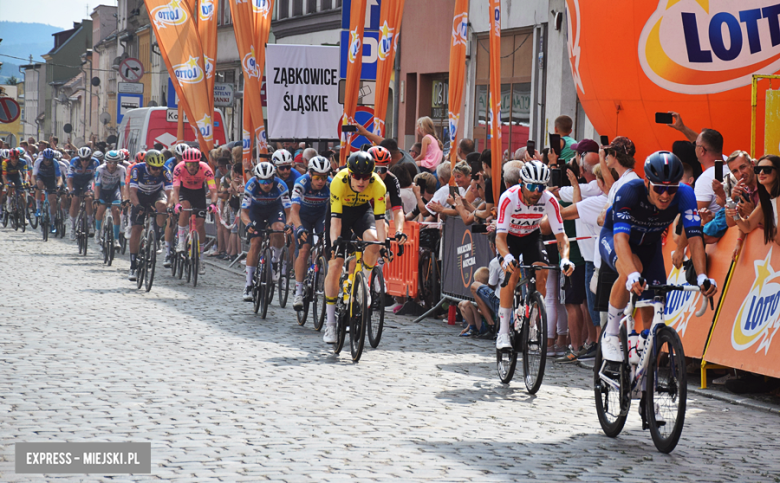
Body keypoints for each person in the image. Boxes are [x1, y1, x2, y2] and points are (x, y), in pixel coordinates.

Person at [599, 152, 718, 362]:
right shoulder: (629, 192)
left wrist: (701, 277)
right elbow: (621, 240)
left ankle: (644, 369)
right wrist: (634, 275)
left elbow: (695, 238)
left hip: (650, 245)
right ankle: (610, 333)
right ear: (646, 182)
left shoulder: (685, 194)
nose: (665, 195)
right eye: (659, 188)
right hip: (616, 239)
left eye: (671, 189)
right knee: (631, 269)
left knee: (653, 304)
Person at [495, 161, 574, 350]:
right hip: (509, 239)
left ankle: (533, 325)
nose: (536, 192)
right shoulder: (508, 198)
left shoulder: (549, 200)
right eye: (531, 186)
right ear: (522, 183)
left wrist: (565, 259)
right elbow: (499, 238)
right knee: (511, 274)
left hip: (531, 236)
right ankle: (503, 332)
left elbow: (562, 236)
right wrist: (506, 257)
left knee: (542, 272)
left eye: (541, 187)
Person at [322, 152, 387, 344]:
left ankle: (363, 285)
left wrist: (383, 245)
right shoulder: (338, 182)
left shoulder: (378, 185)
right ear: (349, 174)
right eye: (357, 177)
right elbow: (335, 222)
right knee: (335, 264)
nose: (361, 181)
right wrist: (335, 244)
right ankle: (331, 324)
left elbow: (380, 221)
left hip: (361, 212)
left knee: (374, 241)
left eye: (366, 177)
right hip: (339, 212)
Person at [240, 162, 292, 302]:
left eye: (269, 180)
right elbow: (244, 212)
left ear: (273, 178)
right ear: (257, 179)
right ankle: (249, 284)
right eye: (262, 180)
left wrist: (288, 225)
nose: (266, 184)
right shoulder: (251, 185)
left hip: (275, 209)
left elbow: (289, 211)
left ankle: (275, 263)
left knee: (279, 229)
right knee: (256, 243)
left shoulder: (281, 185)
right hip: (256, 211)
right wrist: (248, 224)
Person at [290, 156, 331, 310]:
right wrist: (299, 227)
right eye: (317, 177)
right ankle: (299, 292)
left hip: (321, 216)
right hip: (303, 217)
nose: (320, 181)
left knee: (329, 248)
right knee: (304, 250)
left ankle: (327, 284)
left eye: (324, 177)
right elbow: (294, 211)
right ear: (310, 174)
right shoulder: (301, 183)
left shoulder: (331, 185)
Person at [171, 148, 218, 274]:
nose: (191, 167)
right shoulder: (179, 168)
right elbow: (175, 189)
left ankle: (200, 259)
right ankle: (181, 240)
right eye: (189, 164)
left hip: (199, 194)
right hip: (184, 191)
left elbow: (213, 190)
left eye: (194, 164)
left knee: (200, 225)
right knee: (185, 208)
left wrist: (213, 204)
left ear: (199, 163)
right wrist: (176, 204)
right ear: (185, 163)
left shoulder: (206, 169)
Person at [127, 150, 172, 281]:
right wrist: (137, 206)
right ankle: (133, 265)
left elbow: (171, 192)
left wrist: (170, 206)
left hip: (156, 194)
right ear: (147, 165)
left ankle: (157, 237)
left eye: (159, 168)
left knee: (162, 206)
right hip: (140, 195)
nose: (157, 171)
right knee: (136, 229)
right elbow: (132, 191)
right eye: (154, 168)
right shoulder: (137, 169)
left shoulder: (165, 171)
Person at [728, 155, 780, 247]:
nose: (761, 173)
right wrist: (735, 214)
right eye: (758, 169)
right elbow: (747, 226)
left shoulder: (778, 198)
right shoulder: (765, 199)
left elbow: (778, 238)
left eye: (767, 169)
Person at [368, 145, 407, 246]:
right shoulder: (360, 178)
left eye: (383, 169)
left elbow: (398, 210)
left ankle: (381, 258)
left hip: (376, 211)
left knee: (384, 228)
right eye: (375, 169)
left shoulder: (392, 180)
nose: (379, 174)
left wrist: (399, 231)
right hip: (356, 209)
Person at [93, 150, 127, 251]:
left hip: (114, 191)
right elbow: (97, 185)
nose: (112, 165)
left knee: (116, 211)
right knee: (101, 208)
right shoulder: (100, 169)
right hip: (102, 190)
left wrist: (124, 199)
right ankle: (98, 231)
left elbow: (122, 186)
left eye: (115, 162)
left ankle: (116, 239)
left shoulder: (121, 169)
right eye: (110, 162)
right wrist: (96, 199)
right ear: (106, 162)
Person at [67, 147, 100, 239]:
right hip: (76, 181)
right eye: (82, 159)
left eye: (87, 159)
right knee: (75, 199)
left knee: (89, 198)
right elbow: (69, 179)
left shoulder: (95, 162)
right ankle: (73, 227)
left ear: (91, 157)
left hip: (88, 181)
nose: (85, 162)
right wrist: (71, 191)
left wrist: (93, 191)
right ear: (79, 158)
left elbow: (96, 179)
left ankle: (89, 224)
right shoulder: (74, 162)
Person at [33, 148, 63, 233]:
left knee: (53, 201)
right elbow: (34, 175)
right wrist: (34, 184)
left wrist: (58, 185)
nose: (48, 161)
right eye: (46, 159)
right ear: (43, 158)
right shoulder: (39, 161)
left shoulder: (55, 163)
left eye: (50, 160)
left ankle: (52, 223)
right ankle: (38, 208)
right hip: (41, 177)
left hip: (50, 179)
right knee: (39, 185)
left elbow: (59, 177)